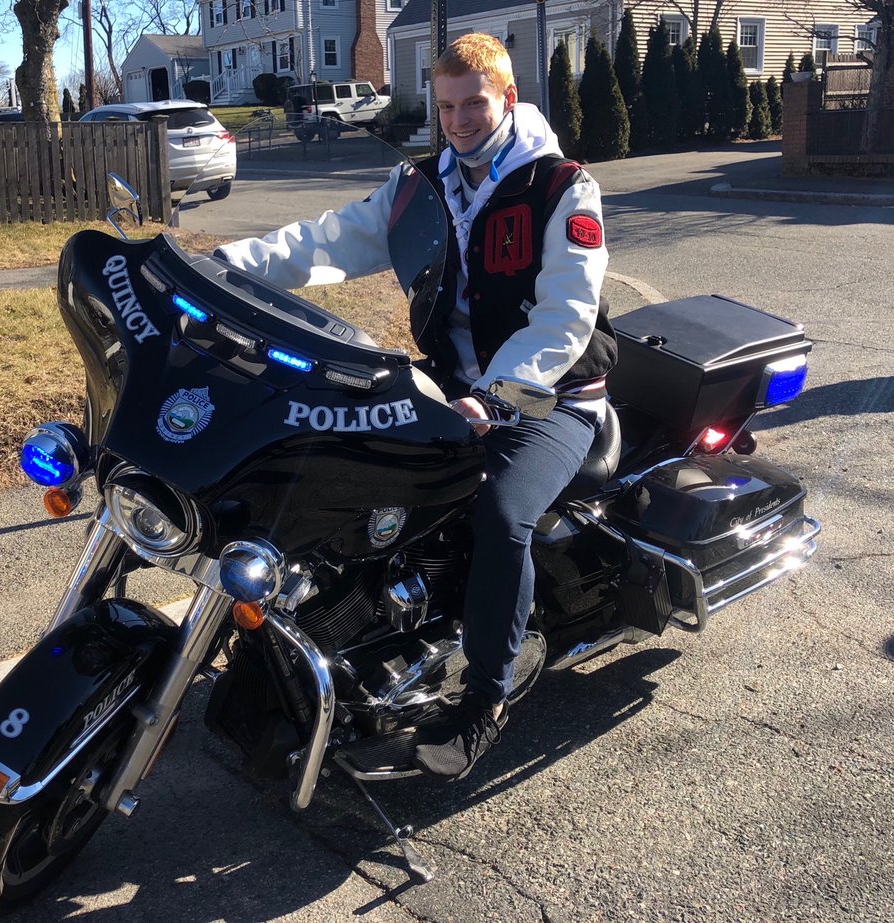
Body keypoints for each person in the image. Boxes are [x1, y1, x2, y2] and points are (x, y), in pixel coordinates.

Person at [216, 33, 616, 780]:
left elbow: (565, 317)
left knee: (501, 511)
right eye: (447, 107)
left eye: (474, 104)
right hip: (457, 382)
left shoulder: (562, 188)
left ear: (508, 100)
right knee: (335, 449)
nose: (460, 120)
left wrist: (497, 396)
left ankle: (485, 703)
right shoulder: (423, 183)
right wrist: (228, 267)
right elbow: (328, 239)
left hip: (549, 396)